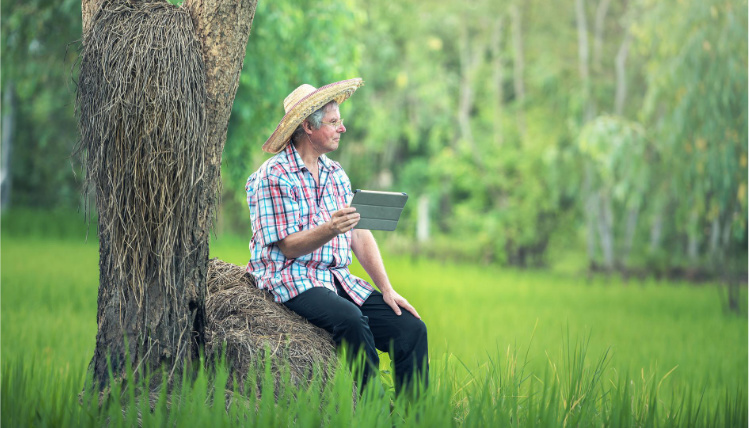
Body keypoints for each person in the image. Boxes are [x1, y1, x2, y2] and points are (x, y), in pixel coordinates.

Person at [245, 78, 428, 395]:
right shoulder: (273, 176)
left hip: (334, 278)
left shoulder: (336, 174)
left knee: (410, 328)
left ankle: (416, 416)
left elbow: (359, 233)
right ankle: (375, 411)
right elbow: (287, 247)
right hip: (288, 277)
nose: (342, 128)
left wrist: (386, 289)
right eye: (333, 122)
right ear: (308, 127)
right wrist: (330, 228)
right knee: (351, 320)